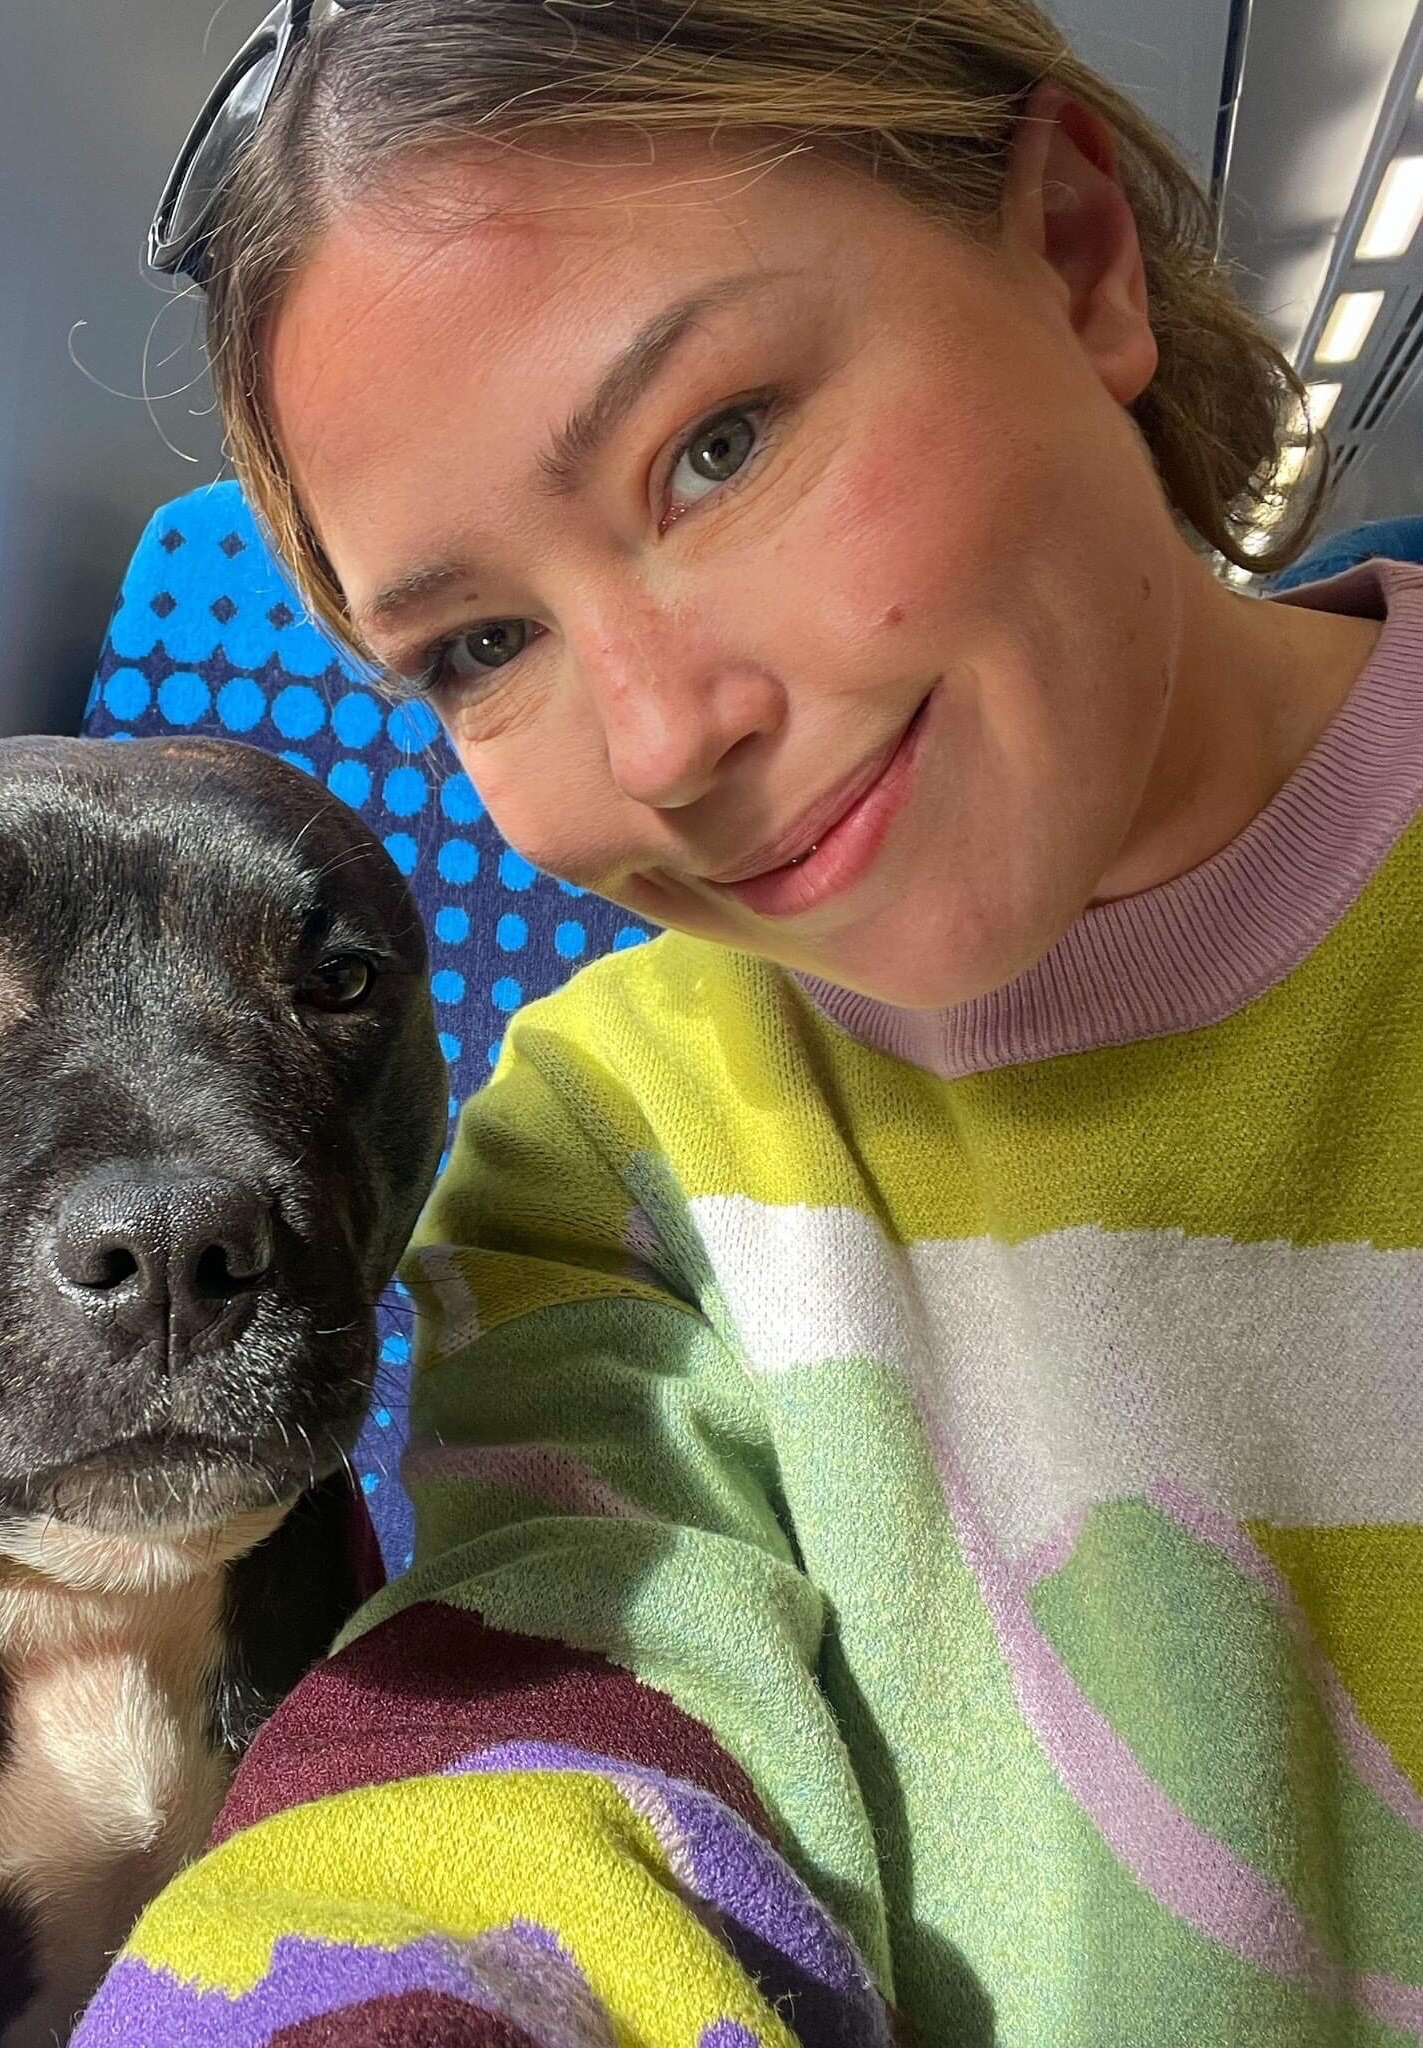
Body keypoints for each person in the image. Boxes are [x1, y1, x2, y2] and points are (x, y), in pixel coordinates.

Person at [78, 2, 1423, 2041]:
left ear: (1076, 258)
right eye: (483, 643)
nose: (660, 740)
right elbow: (539, 1717)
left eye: (716, 449)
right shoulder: (608, 1145)